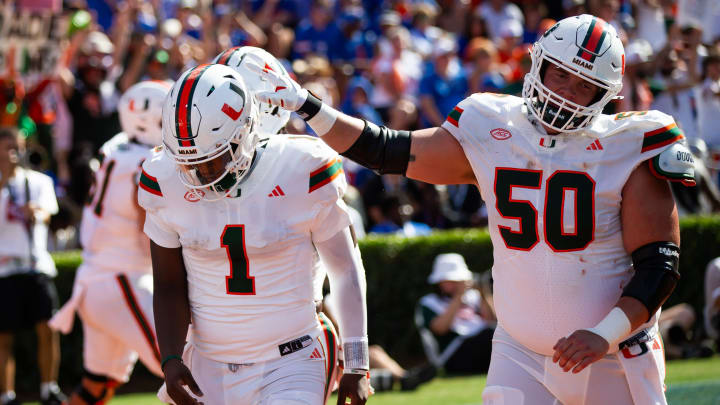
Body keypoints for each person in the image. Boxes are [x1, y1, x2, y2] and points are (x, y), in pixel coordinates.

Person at [254, 14, 696, 404]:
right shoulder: (493, 127)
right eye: (559, 74)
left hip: (613, 356)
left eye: (584, 86)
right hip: (519, 353)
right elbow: (386, 150)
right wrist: (306, 104)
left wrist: (604, 334)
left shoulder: (630, 144)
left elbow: (660, 265)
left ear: (605, 95)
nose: (565, 92)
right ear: (537, 65)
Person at [138, 63, 369, 405]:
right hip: (206, 363)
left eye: (213, 160)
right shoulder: (164, 178)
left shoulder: (300, 167)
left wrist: (356, 360)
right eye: (190, 163)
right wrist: (171, 358)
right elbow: (169, 283)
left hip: (293, 358)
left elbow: (345, 270)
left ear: (246, 131)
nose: (201, 175)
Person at [48, 81, 171, 404]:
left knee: (96, 387)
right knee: (187, 368)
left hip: (97, 280)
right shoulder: (146, 160)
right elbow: (149, 229)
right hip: (123, 280)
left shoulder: (116, 147)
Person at [0, 127, 66, 405]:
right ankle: (7, 394)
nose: (15, 152)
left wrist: (34, 212)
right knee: (4, 336)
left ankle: (48, 388)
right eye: (8, 147)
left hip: (35, 265)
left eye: (18, 146)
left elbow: (48, 212)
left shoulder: (37, 182)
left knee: (48, 328)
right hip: (4, 269)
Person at [417, 253, 495, 374]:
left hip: (483, 343)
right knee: (490, 336)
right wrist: (458, 296)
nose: (457, 283)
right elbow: (440, 329)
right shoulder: (429, 302)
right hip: (454, 354)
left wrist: (483, 294)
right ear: (439, 282)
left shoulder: (473, 297)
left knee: (497, 334)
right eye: (451, 280)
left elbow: (492, 320)